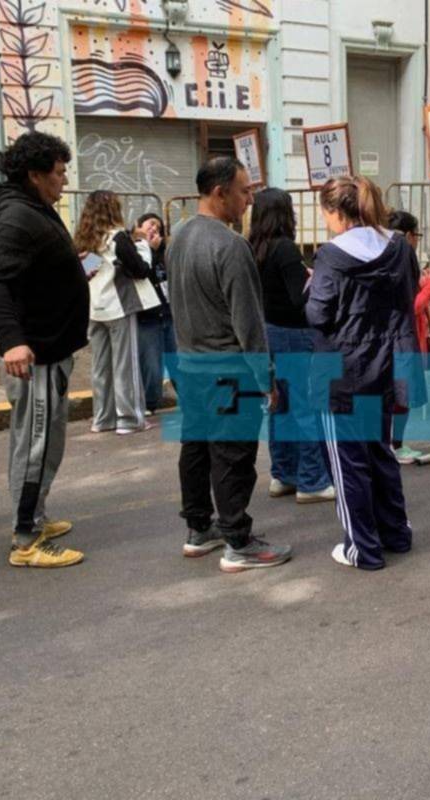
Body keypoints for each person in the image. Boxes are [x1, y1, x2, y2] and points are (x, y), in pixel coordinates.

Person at [169, 156, 291, 572]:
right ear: (220, 193)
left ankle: (198, 528)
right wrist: (266, 377)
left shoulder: (179, 236)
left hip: (190, 364)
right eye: (244, 190)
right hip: (226, 368)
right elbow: (248, 321)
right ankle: (238, 540)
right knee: (233, 455)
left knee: (196, 447)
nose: (250, 199)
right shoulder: (230, 245)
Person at [0, 132, 88, 569]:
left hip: (52, 349)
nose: (65, 180)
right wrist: (11, 340)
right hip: (36, 355)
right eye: (59, 173)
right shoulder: (16, 217)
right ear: (35, 175)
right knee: (35, 446)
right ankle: (26, 540)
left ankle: (35, 516)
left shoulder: (32, 208)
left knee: (47, 442)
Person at [306, 175, 419, 571]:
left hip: (342, 372)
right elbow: (410, 293)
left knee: (348, 463)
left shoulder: (331, 255)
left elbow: (318, 314)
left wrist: (311, 289)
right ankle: (395, 534)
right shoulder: (399, 247)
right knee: (380, 453)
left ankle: (362, 549)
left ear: (335, 212)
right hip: (387, 366)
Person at [248, 188, 335, 504]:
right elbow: (301, 298)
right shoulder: (285, 249)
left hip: (269, 331)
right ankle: (311, 481)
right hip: (295, 335)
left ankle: (283, 474)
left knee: (279, 406)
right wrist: (315, 279)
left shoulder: (253, 247)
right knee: (305, 407)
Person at [74, 190, 160, 435]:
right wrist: (145, 245)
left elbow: (90, 270)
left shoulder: (88, 239)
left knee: (100, 366)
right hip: (119, 307)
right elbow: (141, 270)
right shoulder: (117, 237)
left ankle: (103, 418)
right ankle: (129, 419)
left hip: (95, 308)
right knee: (125, 365)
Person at [387, 210, 430, 464]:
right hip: (403, 338)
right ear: (408, 235)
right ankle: (396, 446)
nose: (417, 240)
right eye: (416, 235)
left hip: (393, 337)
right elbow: (411, 306)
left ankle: (391, 444)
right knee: (401, 396)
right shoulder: (403, 255)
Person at [135, 212, 174, 415]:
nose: (154, 229)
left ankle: (191, 399)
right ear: (139, 226)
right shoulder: (135, 250)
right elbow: (142, 274)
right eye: (150, 224)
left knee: (177, 360)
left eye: (158, 228)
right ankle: (149, 403)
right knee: (151, 364)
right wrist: (148, 249)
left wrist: (159, 251)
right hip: (147, 317)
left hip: (168, 313)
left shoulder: (165, 252)